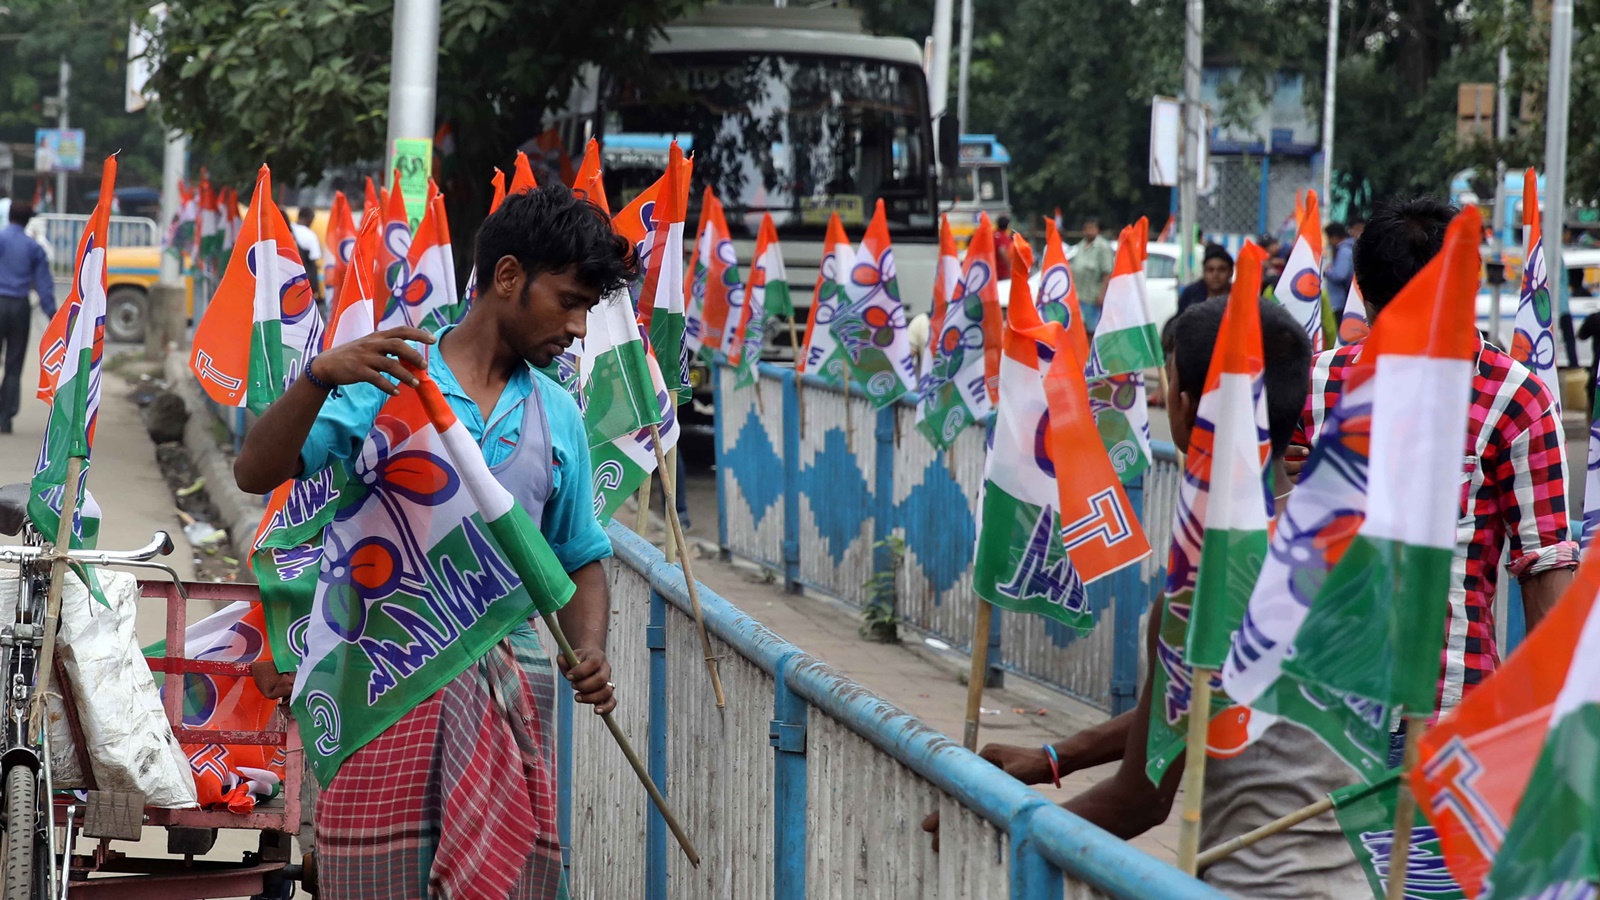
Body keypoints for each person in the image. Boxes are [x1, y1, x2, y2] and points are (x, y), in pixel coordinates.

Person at [234, 184, 628, 900]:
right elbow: (255, 469)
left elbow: (580, 554)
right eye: (569, 300)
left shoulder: (558, 412)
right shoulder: (389, 377)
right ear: (508, 277)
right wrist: (319, 379)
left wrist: (591, 648)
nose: (577, 327)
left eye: (586, 309)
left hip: (508, 696)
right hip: (379, 687)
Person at [926, 299, 1364, 897]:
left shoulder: (1208, 588)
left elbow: (1140, 799)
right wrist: (1057, 756)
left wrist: (993, 825)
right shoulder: (1350, 546)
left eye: (1169, 381)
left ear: (1186, 407)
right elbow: (1208, 704)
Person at [1287, 197, 1576, 736]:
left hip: (1445, 722)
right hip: (1318, 718)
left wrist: (1544, 738)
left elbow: (1545, 571)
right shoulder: (1313, 386)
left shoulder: (1516, 399)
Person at [0, 202, 56, 434]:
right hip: (19, 307)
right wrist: (52, 314)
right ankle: (4, 418)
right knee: (13, 364)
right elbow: (43, 285)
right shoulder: (33, 248)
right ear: (27, 221)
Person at [1070, 216, 1116, 331]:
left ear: (1097, 229)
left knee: (1092, 330)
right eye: (1087, 228)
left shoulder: (1102, 247)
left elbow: (1107, 273)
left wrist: (1102, 295)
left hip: (1093, 298)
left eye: (1092, 228)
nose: (1089, 231)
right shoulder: (1081, 245)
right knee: (1079, 330)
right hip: (1079, 296)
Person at [1177, 244, 1233, 314]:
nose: (1215, 275)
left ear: (1231, 272)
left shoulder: (1239, 296)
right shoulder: (1191, 294)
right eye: (1210, 270)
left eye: (1221, 270)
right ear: (1204, 272)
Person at [289, 207, 324, 308]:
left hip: (287, 279)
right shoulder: (310, 236)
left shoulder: (289, 229)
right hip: (303, 282)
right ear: (310, 219)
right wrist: (316, 289)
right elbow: (313, 264)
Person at [1323, 221, 1354, 312]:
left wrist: (1327, 272)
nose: (1328, 241)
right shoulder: (1348, 248)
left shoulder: (1344, 251)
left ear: (1335, 237)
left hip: (1338, 302)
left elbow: (1340, 275)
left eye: (1328, 238)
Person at [993, 215, 1016, 282]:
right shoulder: (1003, 237)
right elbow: (1002, 250)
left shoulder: (992, 235)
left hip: (992, 271)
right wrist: (1009, 265)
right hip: (1002, 272)